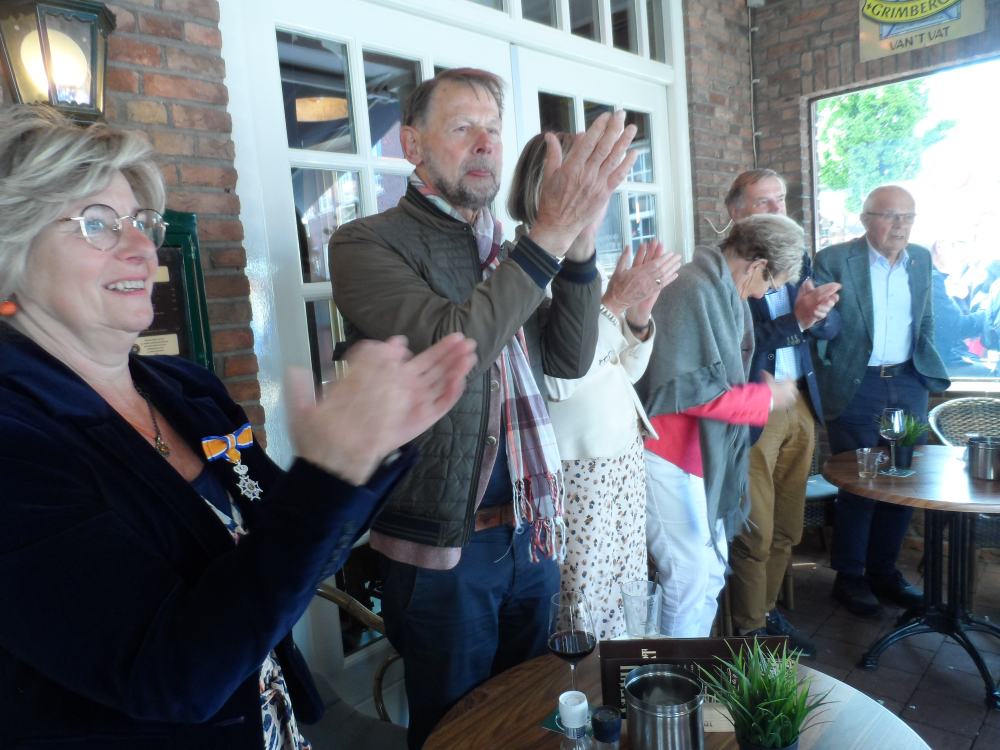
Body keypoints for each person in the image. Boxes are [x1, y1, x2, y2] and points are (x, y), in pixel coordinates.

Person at [0, 106, 478, 750]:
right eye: (97, 225)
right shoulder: (17, 441)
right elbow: (170, 674)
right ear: (11, 251)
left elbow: (291, 539)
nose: (144, 246)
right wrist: (328, 479)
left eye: (143, 221)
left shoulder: (185, 390)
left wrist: (365, 448)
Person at [327, 68, 637, 749]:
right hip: (446, 546)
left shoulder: (505, 244)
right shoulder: (365, 243)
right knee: (454, 731)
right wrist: (549, 238)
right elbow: (453, 345)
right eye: (462, 127)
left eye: (493, 129)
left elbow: (566, 357)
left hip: (532, 530)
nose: (485, 145)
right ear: (413, 144)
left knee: (529, 715)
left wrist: (580, 246)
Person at [506, 132, 681, 639]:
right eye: (586, 178)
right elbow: (559, 381)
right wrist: (615, 303)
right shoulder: (525, 263)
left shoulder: (583, 260)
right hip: (576, 469)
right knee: (581, 612)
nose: (599, 194)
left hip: (620, 460)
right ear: (546, 187)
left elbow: (623, 371)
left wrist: (639, 319)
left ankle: (618, 698)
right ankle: (583, 705)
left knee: (623, 599)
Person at [636, 214, 803, 637]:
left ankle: (690, 675)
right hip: (663, 454)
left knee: (709, 574)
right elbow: (691, 393)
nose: (768, 293)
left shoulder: (719, 291)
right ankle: (670, 686)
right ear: (756, 265)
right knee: (689, 577)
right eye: (772, 283)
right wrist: (766, 397)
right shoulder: (691, 288)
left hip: (694, 459)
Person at [813, 185, 951, 618]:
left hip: (907, 383)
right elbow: (820, 324)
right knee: (860, 480)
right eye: (890, 216)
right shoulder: (835, 259)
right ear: (865, 218)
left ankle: (884, 572)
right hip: (859, 384)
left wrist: (923, 359)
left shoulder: (921, 259)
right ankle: (849, 576)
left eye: (908, 217)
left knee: (901, 479)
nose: (900, 226)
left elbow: (924, 315)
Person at [723, 170, 842, 656]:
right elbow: (739, 347)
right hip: (756, 408)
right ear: (736, 213)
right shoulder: (727, 273)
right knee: (757, 529)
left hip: (800, 405)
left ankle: (769, 613)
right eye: (763, 202)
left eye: (781, 200)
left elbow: (831, 328)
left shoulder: (800, 258)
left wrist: (816, 314)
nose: (777, 209)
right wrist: (797, 319)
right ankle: (749, 631)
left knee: (790, 526)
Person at [930, 239, 990, 375]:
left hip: (942, 355)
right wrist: (989, 312)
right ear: (939, 246)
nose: (961, 253)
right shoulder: (931, 278)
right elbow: (956, 328)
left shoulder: (930, 275)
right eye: (956, 245)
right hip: (936, 363)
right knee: (993, 375)